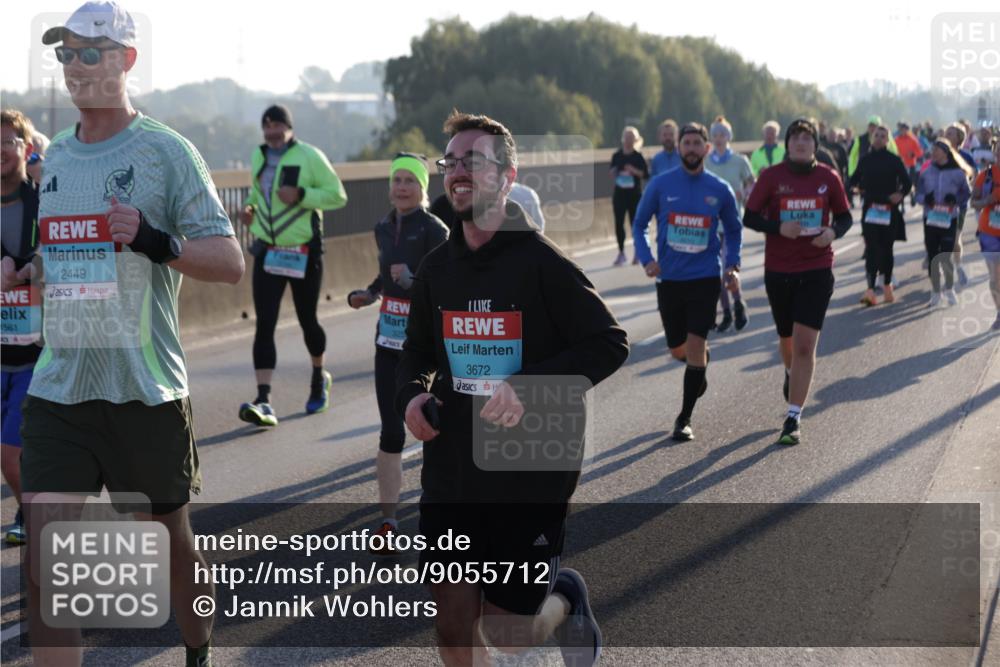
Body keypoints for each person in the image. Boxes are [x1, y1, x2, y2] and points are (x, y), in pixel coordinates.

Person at [24, 4, 246, 666]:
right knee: (45, 562)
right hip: (59, 388)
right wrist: (35, 271)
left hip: (144, 390)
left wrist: (154, 240)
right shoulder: (54, 156)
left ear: (127, 60)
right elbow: (62, 255)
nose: (75, 66)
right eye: (65, 53)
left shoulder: (166, 152)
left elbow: (230, 263)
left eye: (91, 52)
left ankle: (199, 647)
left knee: (176, 549)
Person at [397, 110, 628, 666]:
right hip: (452, 474)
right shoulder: (436, 269)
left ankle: (566, 601)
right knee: (453, 627)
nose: (457, 172)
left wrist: (528, 386)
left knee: (508, 633)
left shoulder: (542, 263)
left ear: (506, 174)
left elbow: (608, 342)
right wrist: (412, 394)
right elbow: (418, 352)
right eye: (450, 162)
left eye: (472, 161)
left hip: (529, 474)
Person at [347, 153, 448, 553]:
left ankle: (437, 518)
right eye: (397, 180)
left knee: (431, 430)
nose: (402, 187)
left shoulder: (435, 229)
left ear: (423, 188)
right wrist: (369, 294)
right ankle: (388, 523)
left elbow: (443, 284)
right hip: (387, 342)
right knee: (391, 431)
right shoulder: (382, 227)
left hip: (426, 348)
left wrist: (414, 281)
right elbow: (384, 273)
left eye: (410, 180)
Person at [743, 119, 852, 446]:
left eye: (807, 138)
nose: (801, 143)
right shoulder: (771, 177)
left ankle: (793, 418)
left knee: (805, 344)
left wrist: (832, 232)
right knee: (787, 339)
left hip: (817, 267)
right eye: (796, 138)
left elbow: (845, 216)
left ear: (815, 145)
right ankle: (791, 373)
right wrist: (778, 227)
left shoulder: (827, 178)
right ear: (787, 144)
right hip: (778, 270)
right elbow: (750, 216)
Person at [237, 104, 348, 426]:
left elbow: (337, 196)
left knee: (307, 320)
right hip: (269, 251)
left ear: (289, 128)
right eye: (266, 127)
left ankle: (318, 377)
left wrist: (300, 194)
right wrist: (249, 209)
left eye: (277, 127)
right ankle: (263, 399)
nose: (272, 133)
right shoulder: (259, 156)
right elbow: (257, 194)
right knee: (265, 324)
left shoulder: (310, 156)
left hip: (303, 251)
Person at [633, 122, 742, 440]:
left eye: (697, 143)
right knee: (678, 349)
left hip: (705, 277)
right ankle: (699, 367)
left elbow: (734, 230)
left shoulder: (720, 189)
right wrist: (647, 259)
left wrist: (732, 265)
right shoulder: (660, 185)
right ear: (679, 148)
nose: (692, 148)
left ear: (707, 149)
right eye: (687, 143)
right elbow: (639, 224)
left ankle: (684, 418)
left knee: (696, 343)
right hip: (669, 279)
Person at [1, 109, 41, 545]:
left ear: (26, 149)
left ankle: (35, 519)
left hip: (38, 352)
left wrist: (28, 271)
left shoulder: (46, 201)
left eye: (8, 142)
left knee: (11, 455)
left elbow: (72, 257)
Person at [850, 124, 912, 306]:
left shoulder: (894, 160)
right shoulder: (865, 160)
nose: (878, 138)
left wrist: (899, 194)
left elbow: (907, 183)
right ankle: (870, 290)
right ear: (871, 138)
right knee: (871, 250)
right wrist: (854, 188)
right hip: (870, 209)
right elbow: (852, 180)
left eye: (883, 136)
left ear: (887, 140)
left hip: (889, 210)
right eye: (876, 135)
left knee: (887, 249)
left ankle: (887, 286)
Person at [704, 116, 752, 332]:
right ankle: (726, 312)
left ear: (729, 136)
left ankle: (738, 302)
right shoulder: (705, 161)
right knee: (715, 271)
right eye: (715, 135)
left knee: (727, 267)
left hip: (731, 223)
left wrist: (744, 193)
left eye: (722, 134)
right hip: (710, 224)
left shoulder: (740, 161)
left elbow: (752, 184)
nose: (719, 138)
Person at [917, 139, 974, 307]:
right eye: (932, 149)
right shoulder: (927, 172)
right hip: (931, 218)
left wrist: (955, 199)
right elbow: (918, 194)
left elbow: (967, 193)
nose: (933, 152)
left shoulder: (958, 172)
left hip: (949, 218)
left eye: (937, 149)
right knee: (933, 254)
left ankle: (949, 289)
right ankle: (935, 292)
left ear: (946, 152)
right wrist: (924, 199)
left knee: (945, 255)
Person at [970, 137, 1000, 330]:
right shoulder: (985, 175)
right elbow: (974, 202)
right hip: (990, 231)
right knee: (995, 276)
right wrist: (988, 200)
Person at [944, 123, 979, 288]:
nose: (947, 136)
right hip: (939, 205)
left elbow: (975, 176)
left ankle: (958, 267)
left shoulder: (966, 156)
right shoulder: (938, 154)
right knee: (941, 239)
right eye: (946, 133)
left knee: (955, 238)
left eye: (950, 134)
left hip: (959, 205)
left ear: (959, 138)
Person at [609, 126, 649, 266]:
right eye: (626, 137)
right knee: (619, 223)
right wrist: (614, 174)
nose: (628, 140)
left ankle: (637, 252)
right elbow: (612, 171)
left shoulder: (638, 157)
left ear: (636, 140)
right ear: (622, 139)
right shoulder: (617, 156)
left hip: (634, 195)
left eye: (631, 138)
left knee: (635, 224)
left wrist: (633, 171)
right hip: (620, 194)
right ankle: (621, 252)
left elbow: (646, 175)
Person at [894, 122, 923, 207]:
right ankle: (902, 204)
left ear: (907, 130)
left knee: (909, 183)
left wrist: (913, 154)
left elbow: (920, 152)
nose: (903, 131)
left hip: (910, 165)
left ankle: (912, 196)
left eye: (904, 129)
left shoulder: (913, 139)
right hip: (900, 166)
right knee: (899, 185)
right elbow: (893, 151)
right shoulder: (896, 140)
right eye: (901, 129)